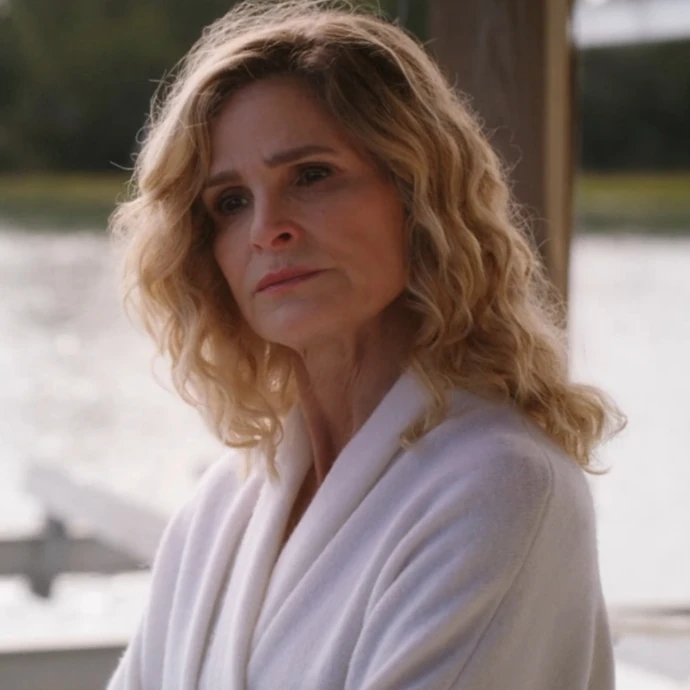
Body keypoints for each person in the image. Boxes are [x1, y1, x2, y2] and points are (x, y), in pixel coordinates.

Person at [107, 1, 625, 688]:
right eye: (230, 201)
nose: (267, 229)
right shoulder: (220, 507)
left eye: (311, 175)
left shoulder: (501, 488)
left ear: (418, 193)